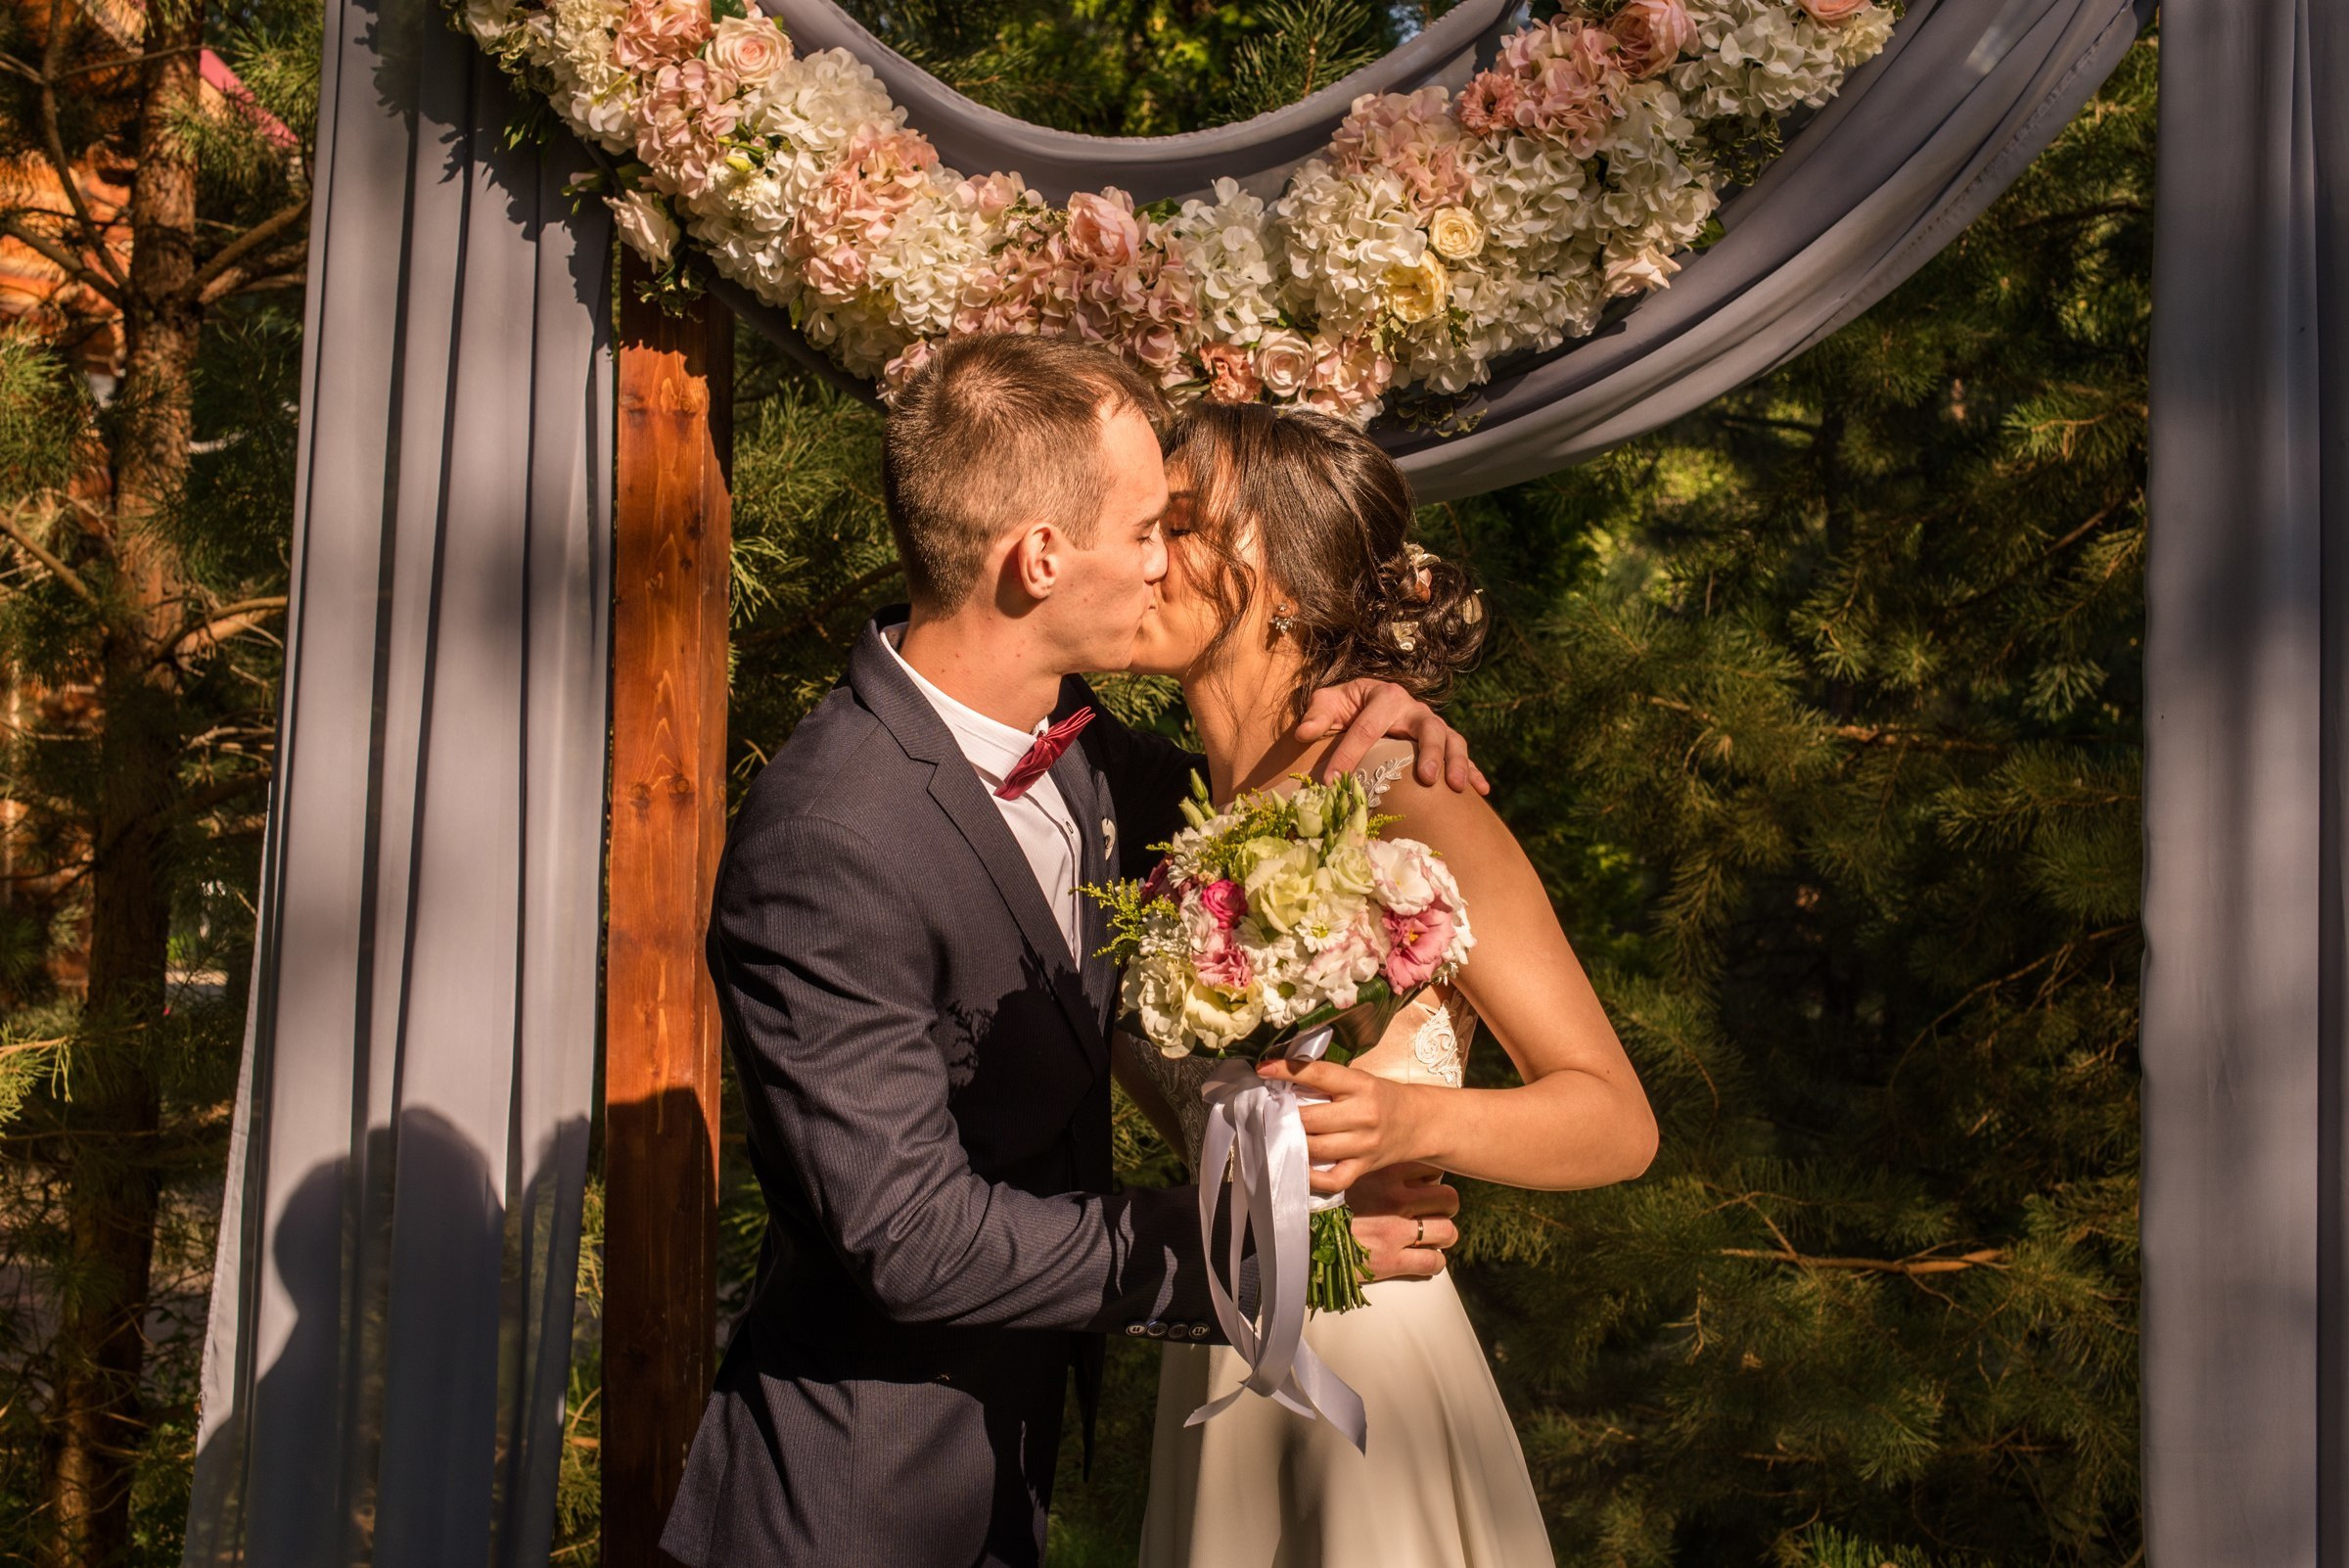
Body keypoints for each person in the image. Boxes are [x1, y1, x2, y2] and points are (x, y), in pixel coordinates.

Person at [658, 335, 1486, 1568]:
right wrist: (1253, 1255)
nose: (1163, 564)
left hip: (1008, 1467)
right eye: (1149, 529)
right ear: (1041, 557)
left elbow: (1257, 811)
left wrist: (1375, 708)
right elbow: (913, 1236)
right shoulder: (829, 842)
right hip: (857, 1501)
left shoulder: (1081, 749)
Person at [1117, 401, 1661, 1568]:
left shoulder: (1409, 791)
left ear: (1294, 583)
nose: (1143, 552)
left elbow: (1618, 1119)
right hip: (1219, 1353)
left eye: (1180, 523)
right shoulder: (1160, 823)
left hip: (1368, 1370)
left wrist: (1410, 1122)